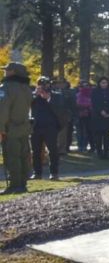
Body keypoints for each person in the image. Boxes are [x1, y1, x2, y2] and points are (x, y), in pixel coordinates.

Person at [0, 62, 33, 194]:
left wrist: (0, 128)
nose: (5, 72)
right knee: (24, 156)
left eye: (7, 70)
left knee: (11, 156)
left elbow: (3, 110)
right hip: (24, 127)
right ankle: (22, 183)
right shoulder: (26, 88)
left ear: (13, 72)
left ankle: (15, 185)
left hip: (10, 128)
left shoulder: (5, 88)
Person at [30, 77, 62, 179]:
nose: (44, 86)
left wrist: (48, 98)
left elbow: (59, 109)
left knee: (53, 150)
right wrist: (36, 94)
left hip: (50, 127)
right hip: (36, 127)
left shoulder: (55, 96)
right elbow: (27, 104)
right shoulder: (34, 96)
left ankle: (54, 173)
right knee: (36, 151)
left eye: (46, 84)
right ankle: (37, 173)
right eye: (41, 84)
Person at [90, 77, 109, 159]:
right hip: (98, 116)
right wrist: (100, 111)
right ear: (99, 83)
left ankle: (106, 152)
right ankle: (99, 152)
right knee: (98, 136)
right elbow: (94, 103)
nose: (104, 84)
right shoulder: (95, 92)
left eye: (105, 82)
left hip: (108, 116)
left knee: (106, 136)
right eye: (102, 83)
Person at [75, 80, 93, 152]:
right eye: (82, 86)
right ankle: (80, 145)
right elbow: (75, 104)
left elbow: (92, 104)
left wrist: (88, 107)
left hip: (89, 115)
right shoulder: (77, 94)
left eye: (86, 85)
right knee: (79, 131)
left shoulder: (91, 94)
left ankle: (84, 145)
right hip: (79, 115)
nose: (85, 87)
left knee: (86, 131)